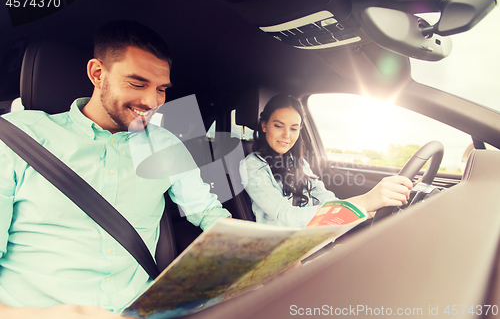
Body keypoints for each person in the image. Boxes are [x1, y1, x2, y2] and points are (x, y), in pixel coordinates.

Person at [0, 20, 230, 318]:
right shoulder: (18, 138)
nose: (152, 101)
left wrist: (265, 252)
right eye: (137, 83)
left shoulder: (166, 145)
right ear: (98, 74)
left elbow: (209, 213)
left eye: (161, 89)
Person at [240, 94, 413, 228]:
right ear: (264, 125)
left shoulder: (298, 163)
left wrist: (357, 210)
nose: (287, 135)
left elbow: (325, 198)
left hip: (317, 234)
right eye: (278, 126)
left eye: (294, 128)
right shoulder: (252, 165)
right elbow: (286, 216)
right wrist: (365, 201)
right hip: (284, 247)